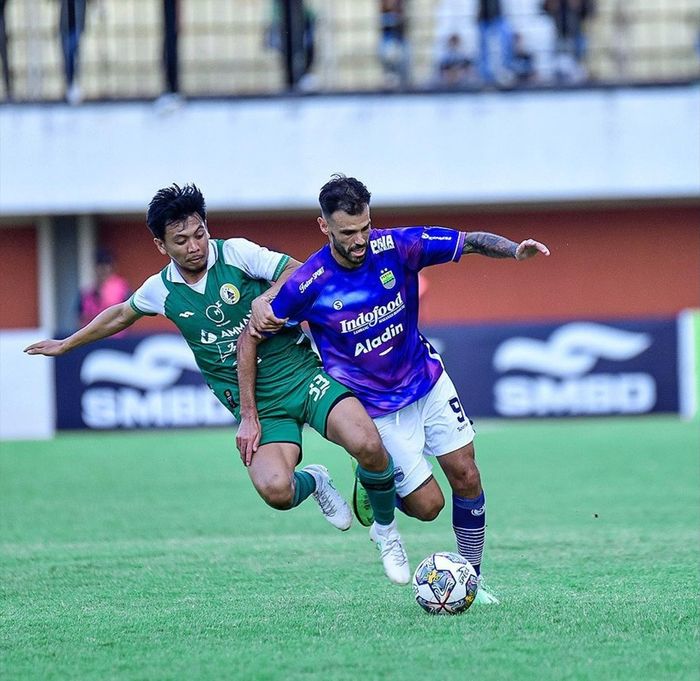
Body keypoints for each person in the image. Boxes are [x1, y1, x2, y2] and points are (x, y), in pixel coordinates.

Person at [24, 183, 409, 586]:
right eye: (181, 240)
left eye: (199, 234)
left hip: (301, 376)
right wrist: (68, 343)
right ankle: (316, 480)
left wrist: (269, 300)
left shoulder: (236, 253)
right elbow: (121, 314)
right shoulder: (163, 290)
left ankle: (385, 532)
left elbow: (298, 271)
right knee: (277, 491)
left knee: (368, 444)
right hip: (257, 406)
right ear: (161, 246)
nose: (195, 246)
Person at [238, 174, 551, 605]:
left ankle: (471, 583)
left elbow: (469, 240)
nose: (361, 239)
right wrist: (251, 412)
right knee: (429, 507)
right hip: (377, 412)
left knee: (468, 474)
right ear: (323, 226)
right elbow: (253, 334)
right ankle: (374, 478)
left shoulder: (399, 245)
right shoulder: (309, 282)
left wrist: (515, 250)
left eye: (365, 227)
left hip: (427, 382)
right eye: (349, 232)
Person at [78, 249, 131, 329]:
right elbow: (81, 318)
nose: (102, 269)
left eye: (106, 265)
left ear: (112, 267)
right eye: (99, 265)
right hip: (92, 337)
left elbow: (129, 315)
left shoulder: (122, 288)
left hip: (117, 336)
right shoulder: (87, 292)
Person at [59, 0, 88, 104]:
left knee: (72, 52)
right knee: (67, 55)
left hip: (77, 24)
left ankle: (74, 85)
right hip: (65, 25)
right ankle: (70, 85)